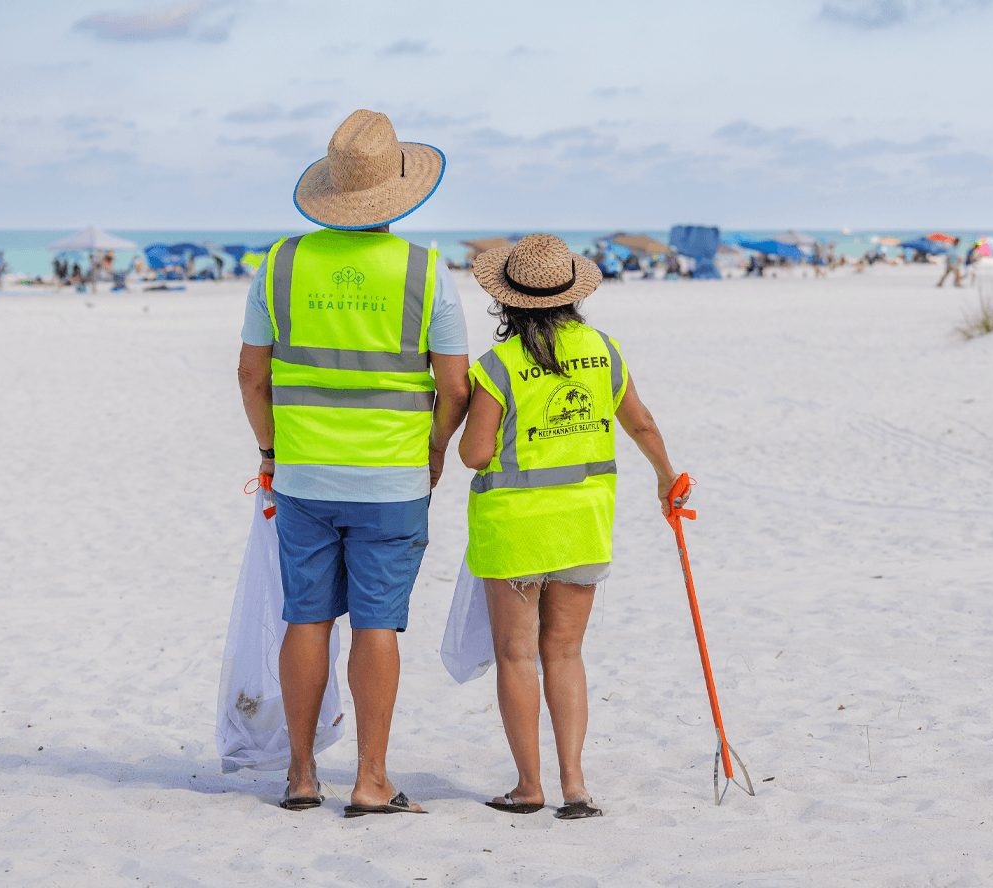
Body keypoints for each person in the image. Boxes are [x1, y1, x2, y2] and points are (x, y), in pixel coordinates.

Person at [236, 109, 470, 817]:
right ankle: (371, 778)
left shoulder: (279, 263)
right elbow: (455, 386)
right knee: (377, 624)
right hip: (394, 478)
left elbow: (252, 376)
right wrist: (432, 452)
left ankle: (301, 774)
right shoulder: (427, 273)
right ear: (398, 190)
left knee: (305, 618)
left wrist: (271, 451)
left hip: (304, 472)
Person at [458, 233, 685, 820]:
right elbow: (643, 424)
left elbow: (476, 455)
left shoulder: (497, 366)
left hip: (513, 528)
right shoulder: (603, 350)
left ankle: (529, 787)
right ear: (572, 295)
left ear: (505, 302)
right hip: (583, 523)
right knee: (565, 654)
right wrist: (666, 478)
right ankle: (576, 785)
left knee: (516, 656)